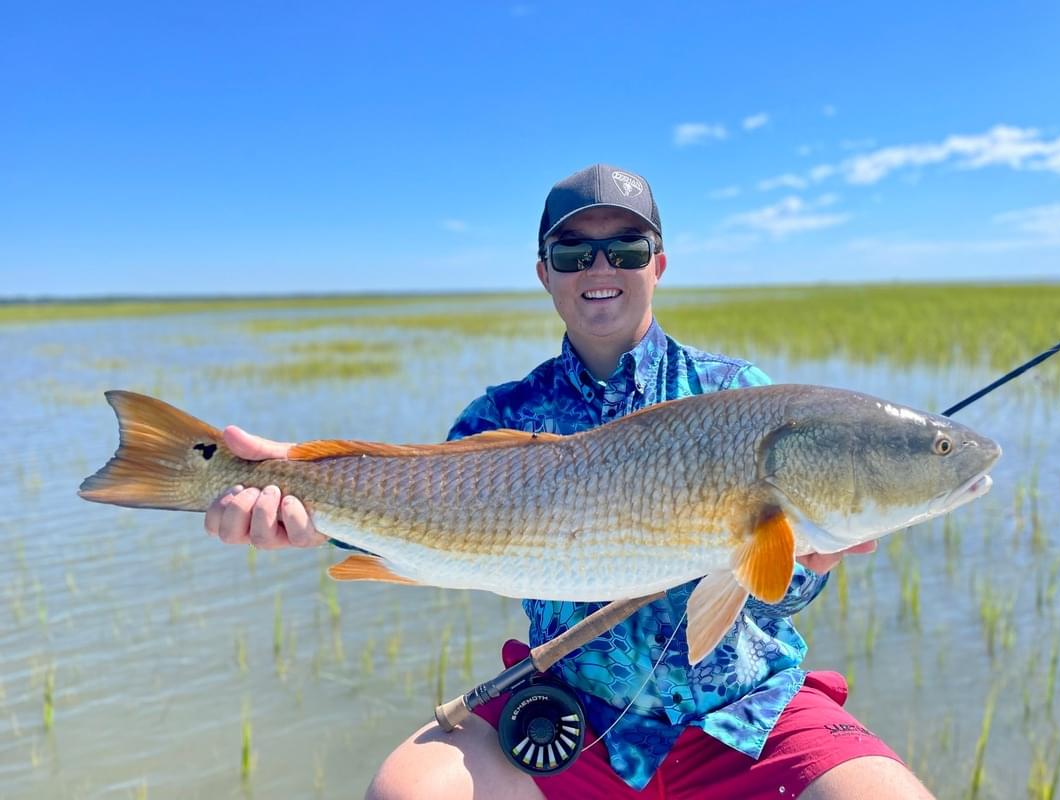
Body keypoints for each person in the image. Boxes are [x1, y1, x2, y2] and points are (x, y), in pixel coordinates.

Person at [205, 165, 934, 799]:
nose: (599, 267)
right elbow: (426, 524)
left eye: (626, 248)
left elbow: (783, 594)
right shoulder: (499, 416)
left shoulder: (736, 395)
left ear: (658, 264)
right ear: (544, 272)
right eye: (573, 251)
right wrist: (299, 496)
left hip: (744, 710)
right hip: (567, 716)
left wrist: (812, 563)